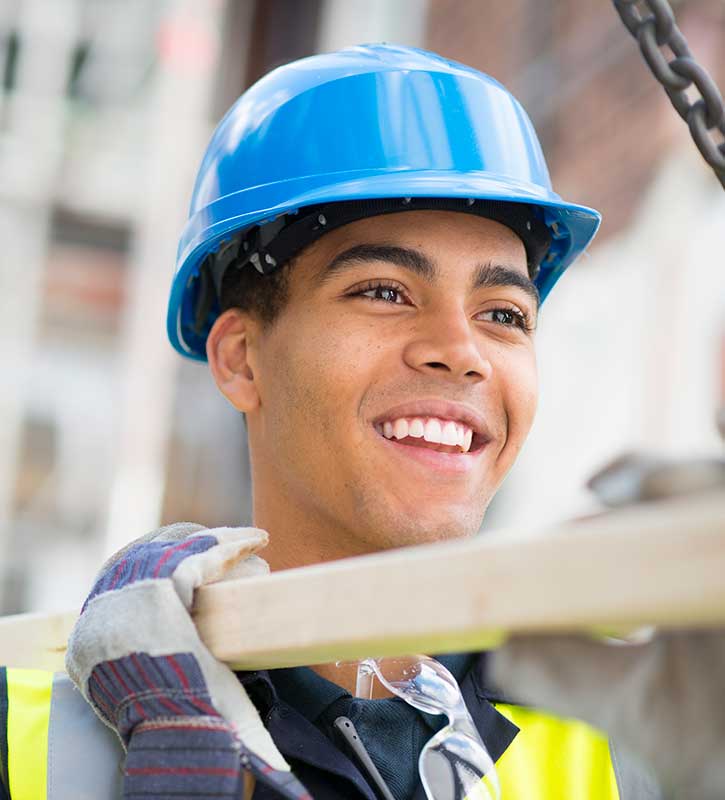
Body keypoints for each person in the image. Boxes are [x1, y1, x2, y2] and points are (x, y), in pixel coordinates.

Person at [5, 43, 709, 800]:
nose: (459, 352)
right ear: (242, 359)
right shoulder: (35, 740)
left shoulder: (626, 741)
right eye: (383, 291)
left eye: (502, 314)